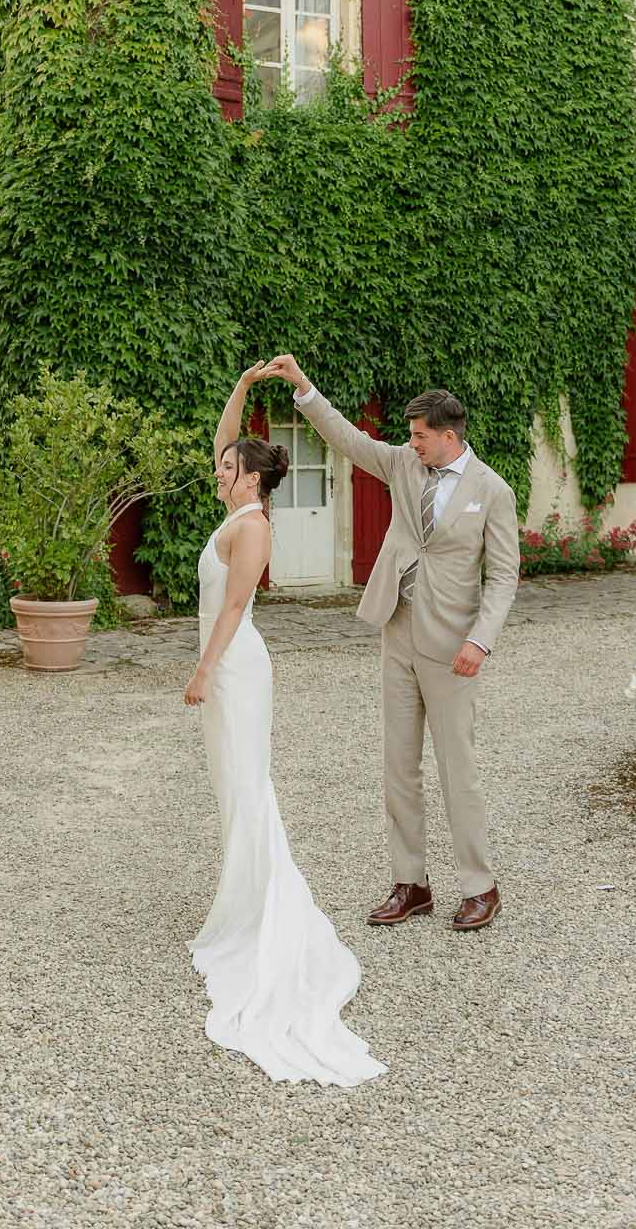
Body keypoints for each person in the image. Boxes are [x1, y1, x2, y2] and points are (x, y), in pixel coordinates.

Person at [259, 356, 519, 934]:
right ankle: (411, 883)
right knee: (398, 766)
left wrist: (480, 641)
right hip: (396, 628)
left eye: (420, 436)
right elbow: (349, 441)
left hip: (453, 645)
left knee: (458, 769)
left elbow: (504, 577)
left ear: (448, 436)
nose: (412, 444)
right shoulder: (403, 463)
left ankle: (480, 886)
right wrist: (303, 387)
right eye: (411, 436)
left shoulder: (492, 491)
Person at [183, 362, 386, 1087]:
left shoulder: (253, 530)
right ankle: (240, 894)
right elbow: (224, 437)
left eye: (228, 467)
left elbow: (236, 607)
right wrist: (242, 385)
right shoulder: (235, 510)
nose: (219, 468)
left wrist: (203, 670)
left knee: (246, 783)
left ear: (250, 481)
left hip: (236, 669)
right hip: (226, 666)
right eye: (223, 464)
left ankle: (257, 910)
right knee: (229, 784)